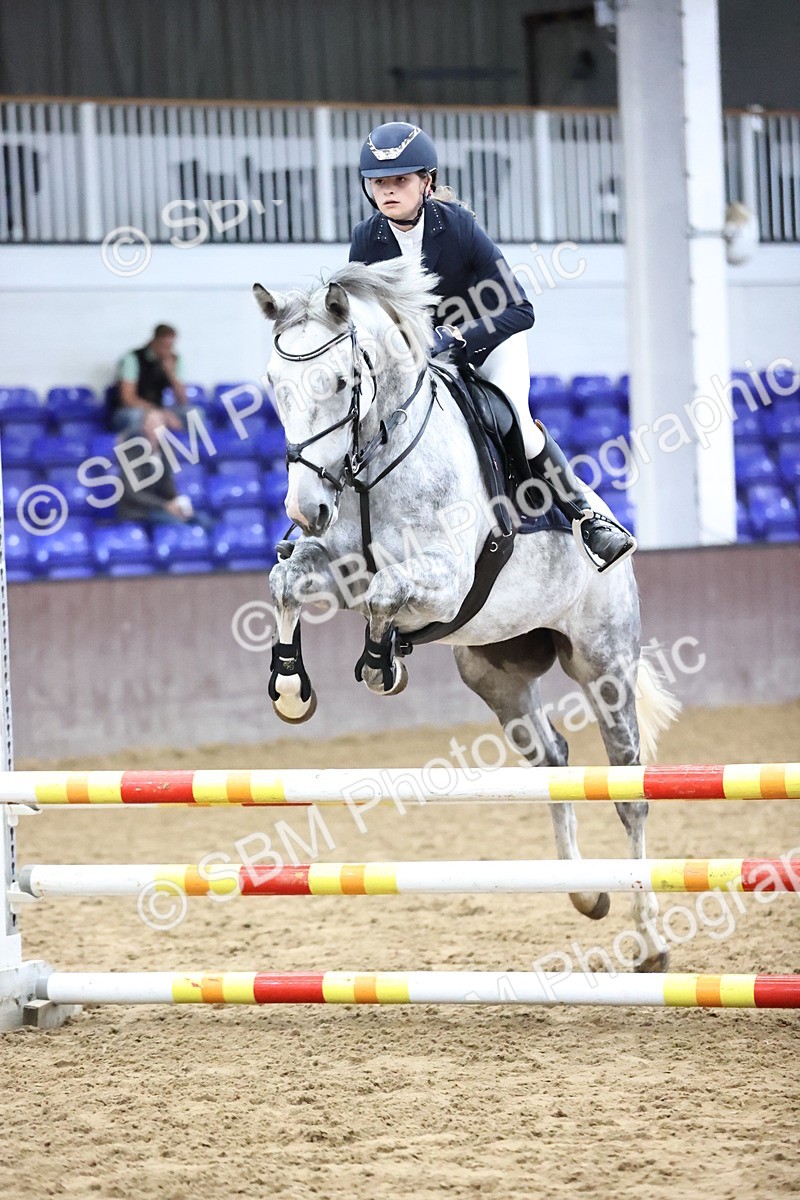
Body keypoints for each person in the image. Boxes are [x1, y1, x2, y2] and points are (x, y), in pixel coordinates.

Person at [350, 121, 635, 572]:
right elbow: (363, 316)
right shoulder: (367, 239)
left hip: (487, 344)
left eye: (400, 180)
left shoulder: (459, 228)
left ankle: (586, 517)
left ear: (427, 182)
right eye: (379, 182)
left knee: (517, 421)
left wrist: (459, 337)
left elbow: (520, 309)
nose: (388, 191)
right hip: (419, 357)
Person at [108, 323, 190, 446]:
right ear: (154, 341)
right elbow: (127, 398)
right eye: (163, 346)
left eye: (170, 346)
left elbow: (182, 400)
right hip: (131, 410)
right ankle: (146, 452)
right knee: (141, 417)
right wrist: (158, 412)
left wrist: (171, 374)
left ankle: (194, 454)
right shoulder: (133, 358)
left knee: (194, 414)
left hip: (158, 408)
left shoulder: (174, 359)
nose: (167, 350)